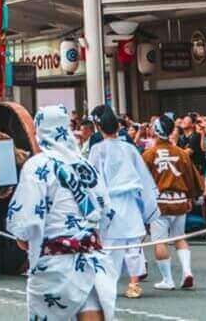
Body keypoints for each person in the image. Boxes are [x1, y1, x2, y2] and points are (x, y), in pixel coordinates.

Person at [7, 105, 115, 321]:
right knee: (90, 304)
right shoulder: (84, 165)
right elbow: (105, 208)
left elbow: (25, 218)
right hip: (90, 257)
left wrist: (23, 238)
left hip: (55, 261)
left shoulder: (38, 165)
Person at [88, 105, 159, 299]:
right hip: (131, 201)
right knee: (132, 244)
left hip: (109, 201)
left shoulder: (97, 149)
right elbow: (143, 178)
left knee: (110, 245)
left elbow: (93, 181)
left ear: (98, 126)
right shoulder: (130, 149)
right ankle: (134, 283)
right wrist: (148, 205)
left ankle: (108, 283)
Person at [142, 114, 204, 291]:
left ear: (156, 130)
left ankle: (168, 280)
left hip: (159, 203)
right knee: (179, 237)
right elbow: (191, 178)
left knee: (159, 241)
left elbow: (141, 181)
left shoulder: (149, 154)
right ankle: (187, 271)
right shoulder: (181, 153)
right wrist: (191, 197)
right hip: (180, 201)